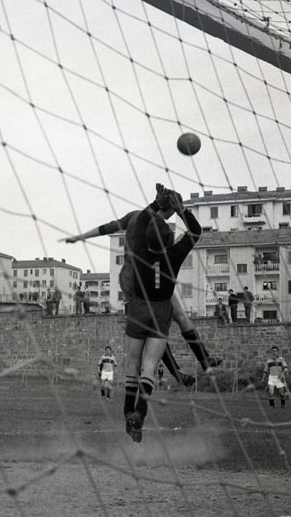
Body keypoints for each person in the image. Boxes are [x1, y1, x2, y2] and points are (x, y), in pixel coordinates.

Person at [65, 184, 201, 442]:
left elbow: (111, 227)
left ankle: (135, 411)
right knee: (161, 338)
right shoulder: (162, 236)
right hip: (150, 289)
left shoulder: (136, 221)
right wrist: (180, 210)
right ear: (169, 212)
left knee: (137, 360)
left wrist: (81, 236)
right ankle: (167, 382)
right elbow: (189, 234)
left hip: (133, 288)